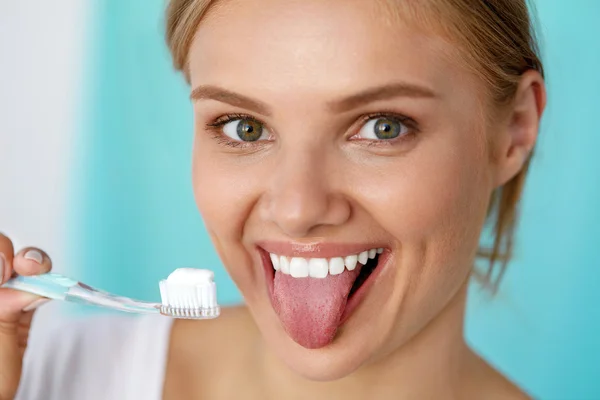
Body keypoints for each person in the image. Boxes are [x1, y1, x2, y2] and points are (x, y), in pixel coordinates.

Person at [0, 0, 547, 398]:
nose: (297, 208)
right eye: (244, 128)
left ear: (515, 129)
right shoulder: (39, 377)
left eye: (383, 127)